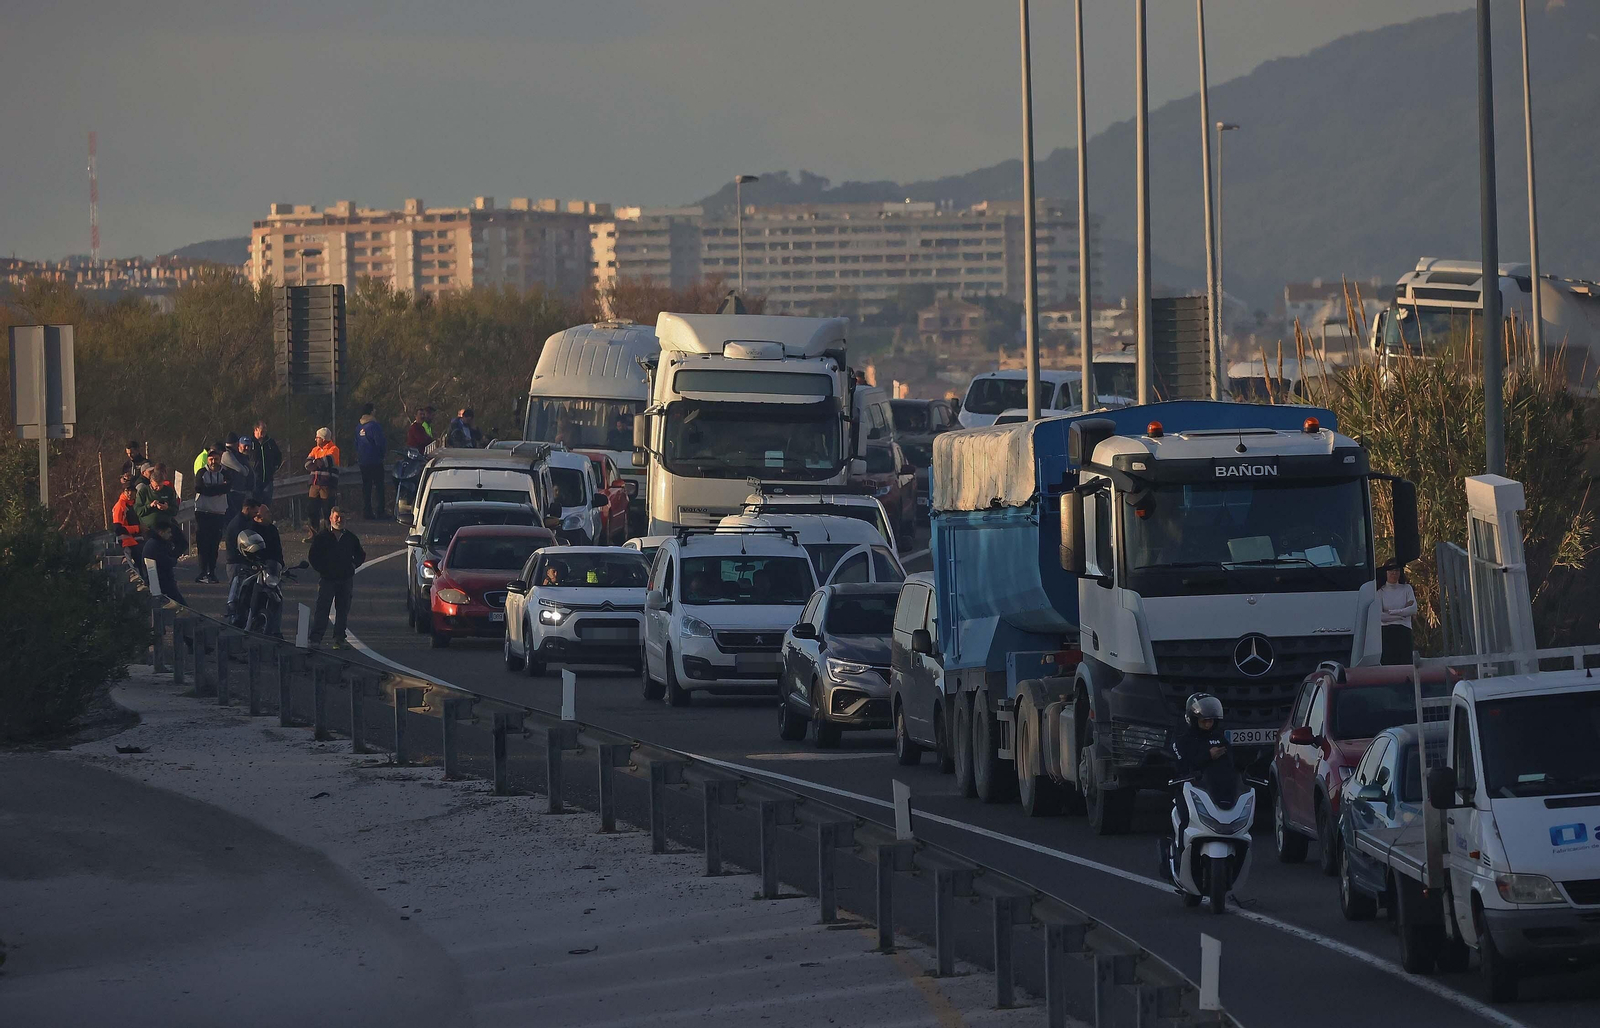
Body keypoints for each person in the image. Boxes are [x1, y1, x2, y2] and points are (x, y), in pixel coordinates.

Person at [1168, 692, 1231, 846]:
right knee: (1186, 819)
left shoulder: (1220, 738)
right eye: (1204, 721)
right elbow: (1181, 765)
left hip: (1216, 788)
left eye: (1210, 721)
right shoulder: (1182, 739)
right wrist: (1208, 756)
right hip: (1189, 788)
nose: (1208, 725)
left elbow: (1230, 764)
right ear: (1194, 719)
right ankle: (1181, 853)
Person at [308, 507, 365, 649]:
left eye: (342, 518)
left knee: (343, 609)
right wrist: (323, 569)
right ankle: (315, 639)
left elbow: (360, 554)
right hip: (327, 579)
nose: (339, 520)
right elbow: (313, 556)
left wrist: (352, 565)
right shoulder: (322, 537)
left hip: (345, 579)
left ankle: (339, 639)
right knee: (322, 608)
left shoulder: (350, 538)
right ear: (330, 518)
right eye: (337, 517)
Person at [192, 448, 232, 583]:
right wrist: (218, 489)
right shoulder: (201, 472)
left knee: (214, 544)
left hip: (218, 513)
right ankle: (202, 571)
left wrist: (210, 489)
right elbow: (199, 488)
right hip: (202, 512)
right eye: (210, 459)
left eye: (215, 459)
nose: (213, 461)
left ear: (220, 459)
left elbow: (228, 487)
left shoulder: (225, 473)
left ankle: (212, 572)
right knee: (202, 544)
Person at [304, 427, 341, 541]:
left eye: (318, 437)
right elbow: (307, 464)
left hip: (327, 484)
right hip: (315, 484)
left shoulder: (334, 449)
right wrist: (316, 463)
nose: (316, 439)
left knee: (327, 510)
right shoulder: (315, 449)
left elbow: (326, 461)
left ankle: (329, 535)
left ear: (324, 438)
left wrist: (316, 462)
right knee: (312, 509)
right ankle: (313, 534)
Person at [1379, 565, 1417, 665]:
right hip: (1386, 632)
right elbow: (1380, 616)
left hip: (1404, 630)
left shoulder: (1407, 588)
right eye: (1391, 570)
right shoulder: (1380, 592)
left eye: (1396, 570)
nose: (1394, 573)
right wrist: (1401, 614)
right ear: (1386, 572)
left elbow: (1413, 609)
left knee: (1405, 663)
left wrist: (1391, 612)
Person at [140, 521, 185, 605]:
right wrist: (174, 559)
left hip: (156, 579)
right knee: (181, 603)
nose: (170, 535)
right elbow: (167, 562)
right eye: (168, 532)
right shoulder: (156, 545)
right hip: (162, 582)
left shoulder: (152, 542)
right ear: (161, 532)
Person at [355, 402, 387, 519]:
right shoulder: (374, 426)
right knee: (379, 487)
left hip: (363, 462)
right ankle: (380, 511)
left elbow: (356, 444)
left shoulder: (359, 427)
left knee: (366, 488)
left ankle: (367, 511)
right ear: (372, 411)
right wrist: (382, 455)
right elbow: (380, 443)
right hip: (375, 461)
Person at [111, 475, 144, 580]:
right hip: (127, 542)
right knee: (141, 562)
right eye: (127, 491)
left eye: (132, 491)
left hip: (138, 538)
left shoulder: (135, 504)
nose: (130, 493)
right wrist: (137, 528)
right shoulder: (120, 506)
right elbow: (118, 528)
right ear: (123, 491)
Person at [134, 463, 179, 533]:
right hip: (149, 528)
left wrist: (166, 508)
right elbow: (138, 511)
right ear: (151, 482)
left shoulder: (169, 491)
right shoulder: (143, 492)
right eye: (156, 486)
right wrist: (150, 506)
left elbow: (175, 510)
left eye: (161, 485)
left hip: (166, 526)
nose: (158, 488)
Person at [221, 433, 257, 517]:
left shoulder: (237, 455)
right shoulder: (227, 454)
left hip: (242, 492)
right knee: (237, 516)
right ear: (237, 444)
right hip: (234, 492)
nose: (246, 448)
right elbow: (243, 471)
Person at [249, 421, 284, 503]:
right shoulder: (250, 443)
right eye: (262, 429)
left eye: (265, 429)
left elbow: (278, 456)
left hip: (268, 480)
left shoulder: (270, 442)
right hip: (255, 481)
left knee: (266, 504)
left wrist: (274, 467)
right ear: (256, 429)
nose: (264, 431)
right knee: (255, 505)